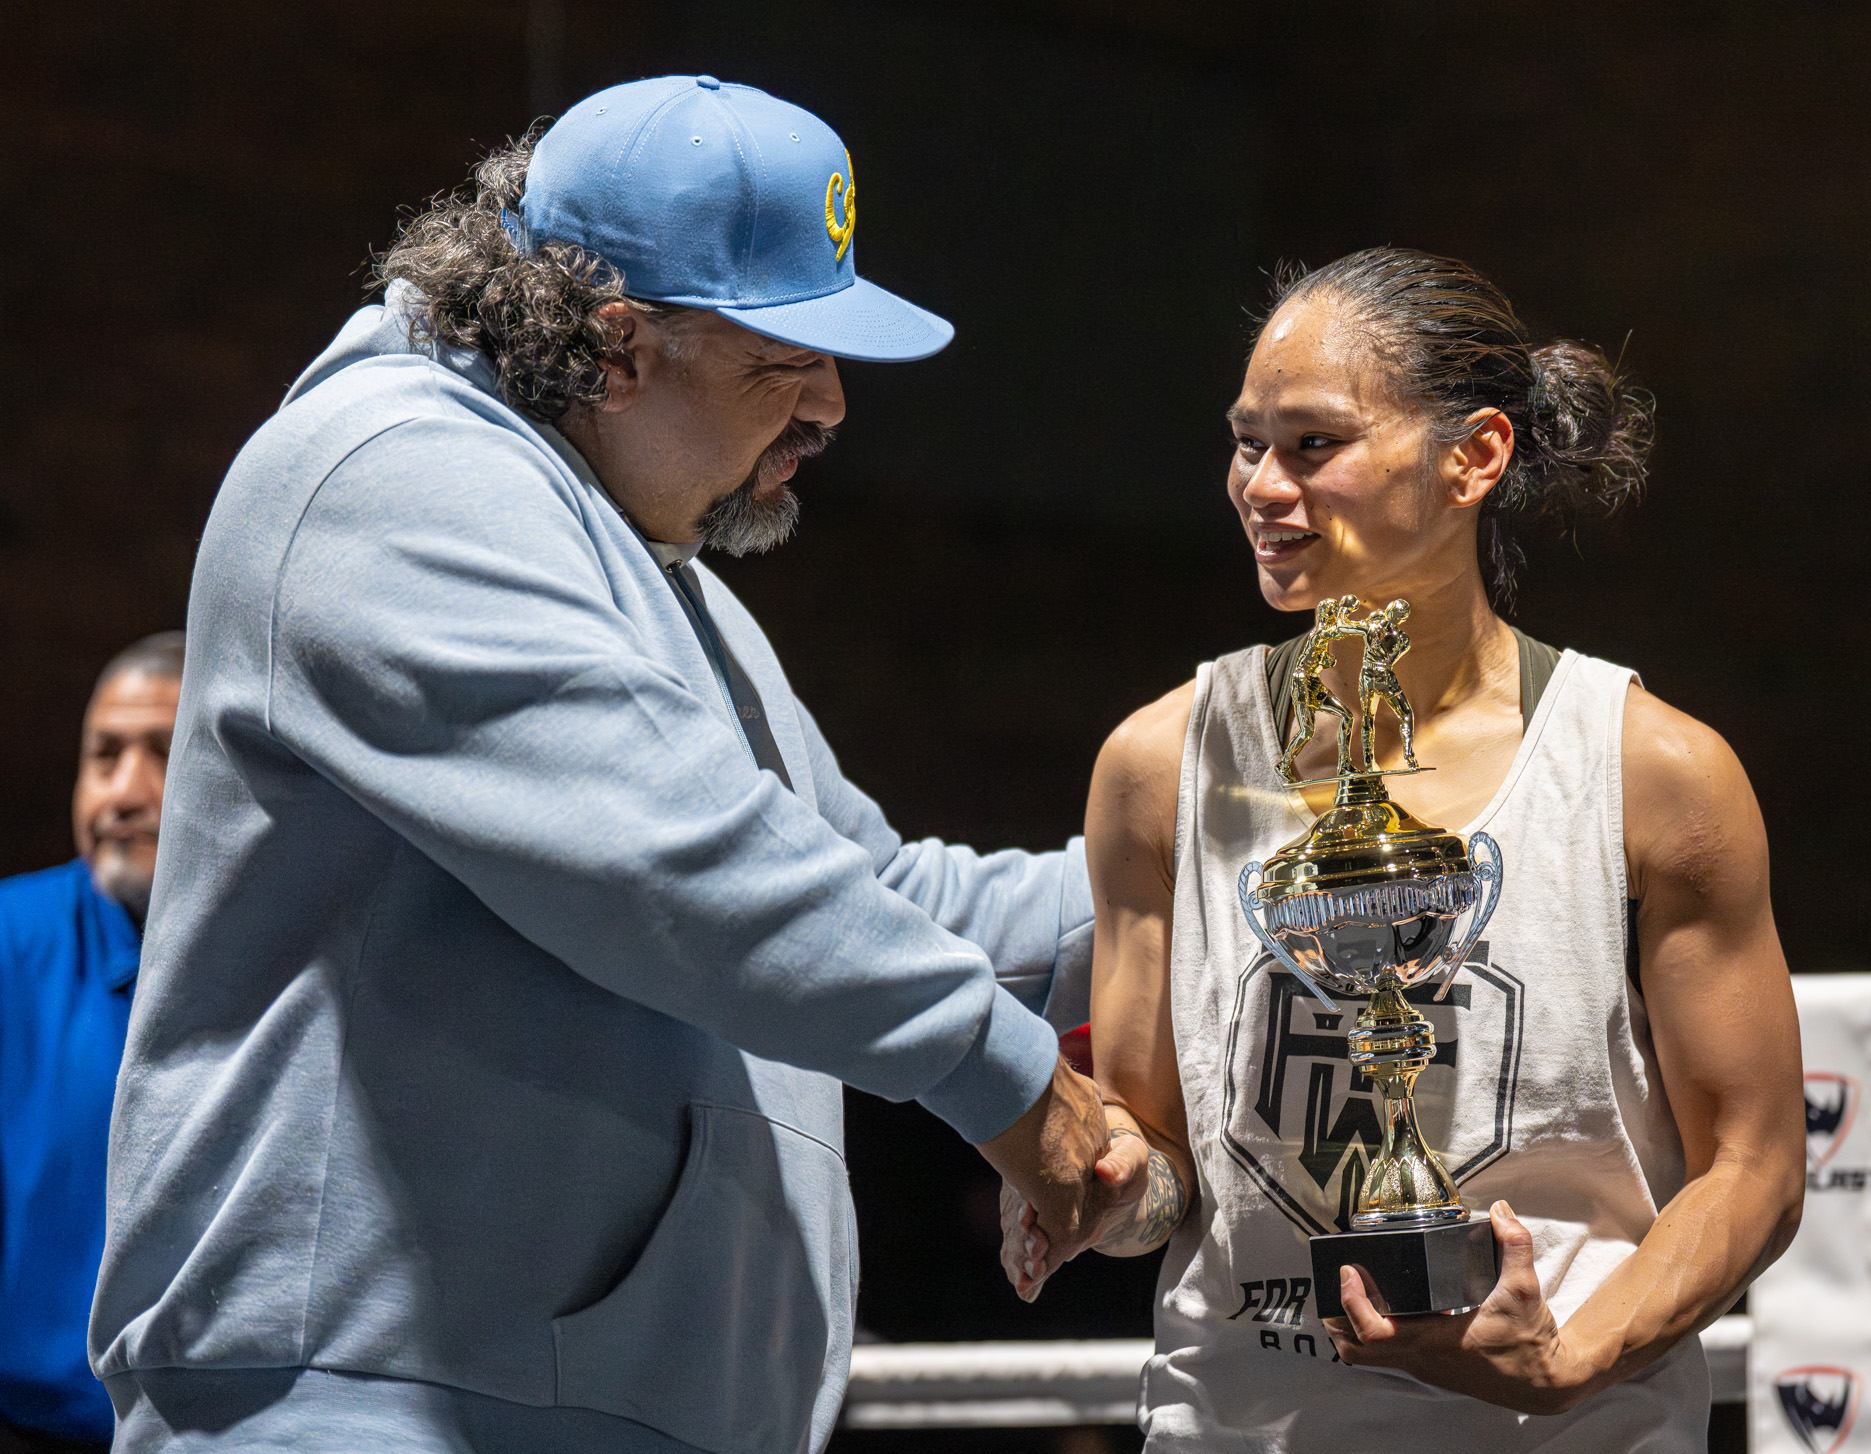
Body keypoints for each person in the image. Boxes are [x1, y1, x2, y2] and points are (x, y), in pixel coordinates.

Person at [90, 77, 1139, 1454]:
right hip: (366, 1407)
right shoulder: (384, 470)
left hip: (583, 1407)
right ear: (619, 344)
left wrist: (1186, 873)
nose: (831, 402)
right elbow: (677, 858)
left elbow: (869, 893)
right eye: (784, 357)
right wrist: (1004, 1079)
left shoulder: (659, 574)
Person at [1001, 248, 1805, 1449]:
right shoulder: (1157, 765)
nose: (1261, 486)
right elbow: (1165, 1157)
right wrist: (1098, 1184)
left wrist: (1570, 1357)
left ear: (1472, 457)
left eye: (1311, 444)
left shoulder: (1647, 770)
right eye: (1244, 442)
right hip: (1244, 1421)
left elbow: (1752, 1161)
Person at [1, 634, 181, 1454]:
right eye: (102, 756)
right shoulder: (11, 943)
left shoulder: (290, 959)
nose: (123, 793)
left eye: (163, 755)